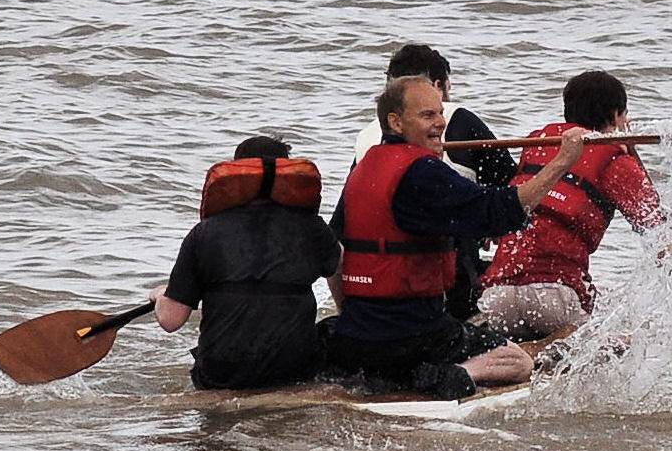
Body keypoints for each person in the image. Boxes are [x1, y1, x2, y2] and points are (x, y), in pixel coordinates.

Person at [325, 76, 584, 398]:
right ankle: (453, 373)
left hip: (357, 333)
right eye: (427, 116)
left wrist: (347, 312)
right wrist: (562, 161)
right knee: (517, 362)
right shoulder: (423, 172)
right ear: (395, 121)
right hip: (413, 333)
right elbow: (502, 212)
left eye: (439, 113)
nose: (440, 123)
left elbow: (333, 250)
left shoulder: (364, 167)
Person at [473, 70, 665, 338]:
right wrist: (631, 149)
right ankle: (541, 351)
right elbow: (656, 228)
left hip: (498, 297)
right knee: (627, 339)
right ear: (616, 116)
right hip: (555, 299)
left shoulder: (537, 144)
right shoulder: (616, 160)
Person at [150, 136, 343, 390]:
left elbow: (171, 320)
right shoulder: (311, 228)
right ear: (286, 174)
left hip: (221, 375)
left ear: (236, 173)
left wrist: (161, 295)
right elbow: (339, 262)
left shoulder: (205, 233)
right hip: (292, 370)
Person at [352, 43, 513, 320]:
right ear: (439, 85)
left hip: (373, 282)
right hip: (446, 276)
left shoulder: (367, 137)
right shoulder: (456, 117)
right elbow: (509, 181)